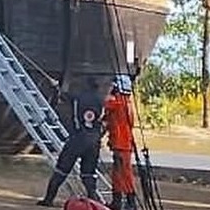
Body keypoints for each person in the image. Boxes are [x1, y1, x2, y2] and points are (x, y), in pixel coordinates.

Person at [37, 77, 104, 207]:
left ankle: (48, 199)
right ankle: (95, 202)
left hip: (77, 139)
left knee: (61, 170)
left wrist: (57, 86)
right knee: (89, 174)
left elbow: (64, 96)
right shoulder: (100, 101)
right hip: (94, 140)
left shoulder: (78, 97)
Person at [103, 75, 137, 210]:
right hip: (123, 143)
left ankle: (130, 202)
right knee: (118, 173)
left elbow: (102, 104)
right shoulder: (127, 103)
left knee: (124, 174)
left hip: (120, 144)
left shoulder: (117, 102)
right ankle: (117, 201)